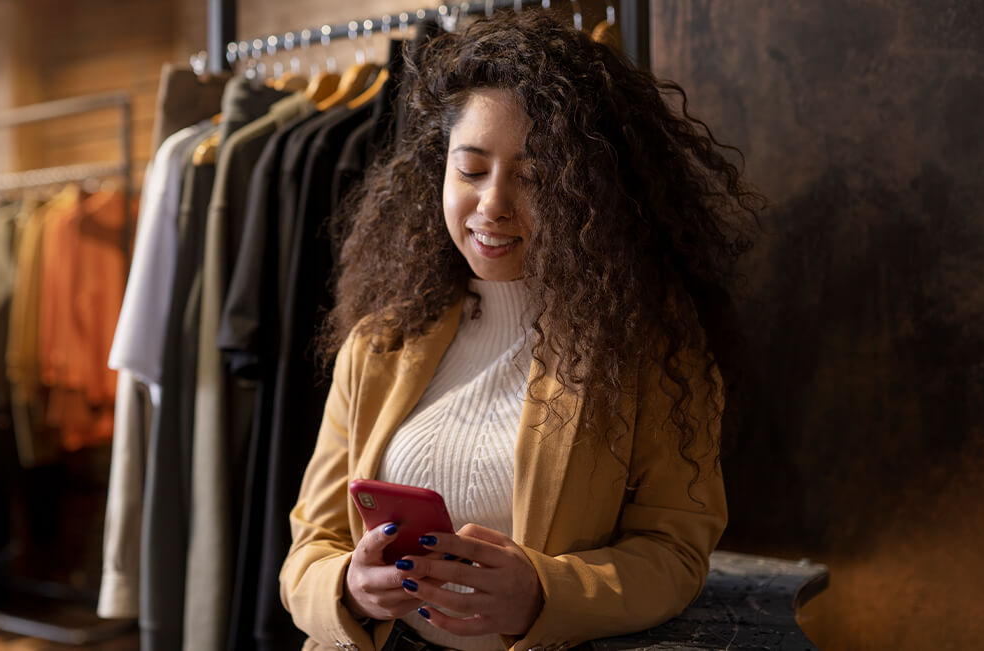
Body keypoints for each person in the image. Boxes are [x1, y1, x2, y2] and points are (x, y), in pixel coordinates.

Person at [280, 9, 762, 651]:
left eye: (534, 176)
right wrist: (349, 587)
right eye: (471, 169)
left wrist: (543, 591)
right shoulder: (380, 343)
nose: (493, 204)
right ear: (439, 170)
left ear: (588, 190)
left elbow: (675, 553)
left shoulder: (649, 347)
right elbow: (309, 548)